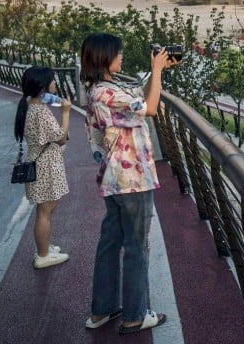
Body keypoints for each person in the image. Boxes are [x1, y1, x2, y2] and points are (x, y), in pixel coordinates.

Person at [81, 32, 175, 334]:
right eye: (117, 53)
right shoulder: (108, 95)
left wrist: (155, 70)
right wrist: (158, 71)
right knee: (137, 246)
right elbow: (149, 108)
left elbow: (140, 97)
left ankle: (102, 310)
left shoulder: (101, 89)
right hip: (131, 178)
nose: (121, 56)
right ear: (104, 57)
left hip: (113, 179)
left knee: (110, 243)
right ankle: (135, 315)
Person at [14, 66, 71, 269]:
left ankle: (44, 247)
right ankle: (43, 255)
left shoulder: (29, 105)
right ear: (42, 86)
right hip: (46, 166)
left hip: (40, 162)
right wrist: (65, 112)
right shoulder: (41, 112)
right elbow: (61, 137)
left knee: (44, 209)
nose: (54, 83)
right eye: (52, 80)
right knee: (45, 211)